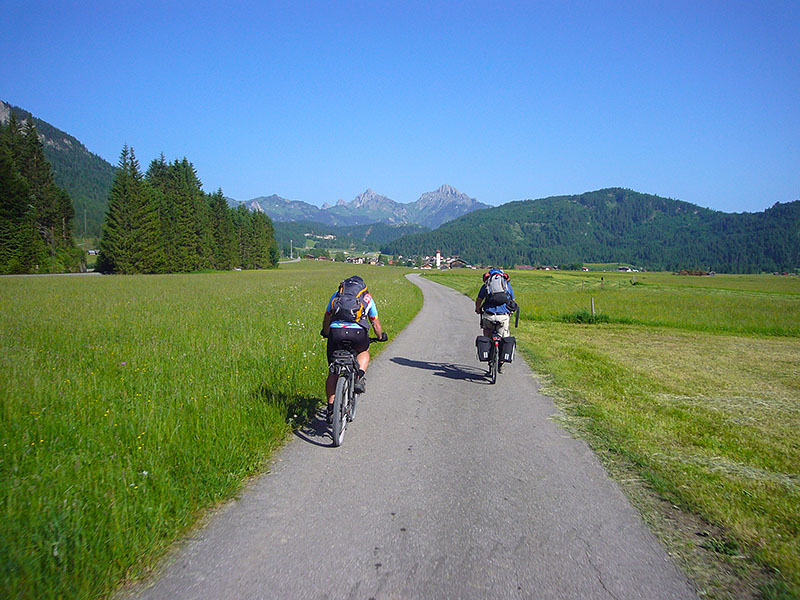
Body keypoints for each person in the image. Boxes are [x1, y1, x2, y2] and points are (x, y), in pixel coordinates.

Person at [321, 275, 387, 421]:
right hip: (358, 334)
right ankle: (358, 377)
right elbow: (375, 323)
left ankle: (331, 408)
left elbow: (327, 317)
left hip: (336, 333)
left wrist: (326, 332)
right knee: (363, 351)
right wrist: (380, 336)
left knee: (333, 371)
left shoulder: (336, 295)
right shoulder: (367, 298)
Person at [475, 267, 517, 372]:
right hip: (502, 316)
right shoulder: (507, 286)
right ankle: (501, 363)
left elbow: (479, 300)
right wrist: (510, 312)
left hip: (489, 315)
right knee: (504, 337)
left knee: (487, 333)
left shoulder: (486, 285)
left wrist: (477, 309)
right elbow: (513, 301)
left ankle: (488, 355)